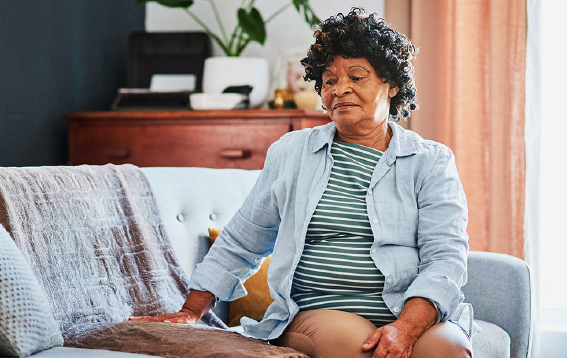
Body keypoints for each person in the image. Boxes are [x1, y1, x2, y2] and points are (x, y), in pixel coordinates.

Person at [131, 7, 473, 358]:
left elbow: (445, 258)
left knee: (446, 350)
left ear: (392, 85)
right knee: (358, 347)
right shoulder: (293, 152)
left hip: (409, 310)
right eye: (329, 81)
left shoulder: (430, 161)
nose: (340, 90)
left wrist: (405, 327)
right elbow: (243, 240)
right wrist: (191, 312)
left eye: (357, 77)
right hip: (321, 312)